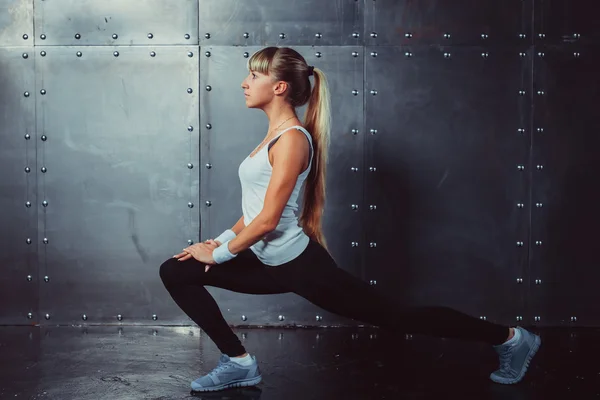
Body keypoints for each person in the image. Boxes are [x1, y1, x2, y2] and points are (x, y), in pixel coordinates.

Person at [159, 46, 541, 393]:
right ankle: (239, 363)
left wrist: (221, 254)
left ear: (278, 88)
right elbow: (255, 212)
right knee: (177, 271)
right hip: (264, 259)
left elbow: (269, 220)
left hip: (298, 265)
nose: (245, 83)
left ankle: (508, 337)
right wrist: (219, 241)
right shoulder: (271, 136)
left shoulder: (292, 140)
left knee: (396, 317)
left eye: (255, 76)